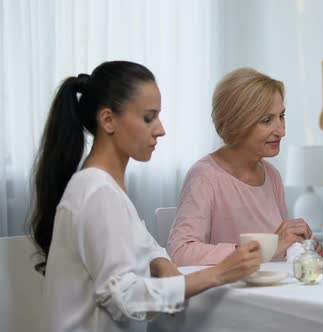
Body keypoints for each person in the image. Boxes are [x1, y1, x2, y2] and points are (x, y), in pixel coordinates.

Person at [29, 61, 262, 332]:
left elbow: (142, 242)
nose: (160, 129)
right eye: (148, 117)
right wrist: (219, 273)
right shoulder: (97, 192)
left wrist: (160, 262)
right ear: (108, 120)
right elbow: (125, 298)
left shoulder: (104, 186)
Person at [168, 68, 323, 266]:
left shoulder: (272, 175)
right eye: (267, 120)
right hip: (230, 295)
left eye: (281, 116)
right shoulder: (205, 176)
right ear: (238, 123)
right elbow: (180, 252)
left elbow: (278, 249)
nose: (281, 131)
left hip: (271, 289)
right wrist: (262, 249)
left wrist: (301, 247)